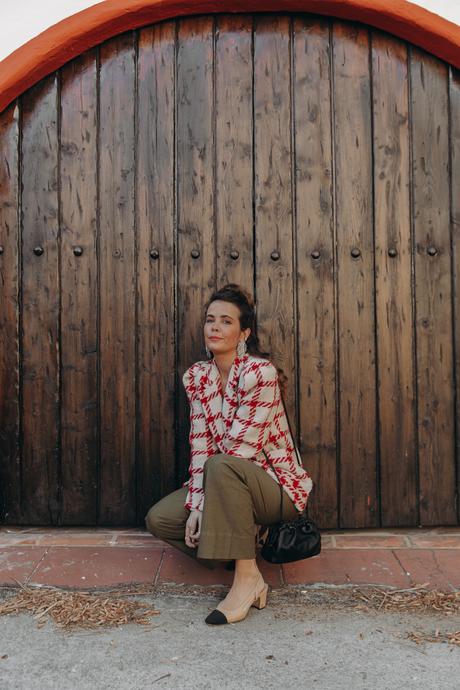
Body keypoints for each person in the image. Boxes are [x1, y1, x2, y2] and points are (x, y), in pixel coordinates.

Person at [145, 284, 313, 625]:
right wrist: (195, 506)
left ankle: (248, 579)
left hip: (276, 487)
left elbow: (242, 451)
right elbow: (200, 444)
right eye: (210, 321)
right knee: (161, 518)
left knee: (222, 464)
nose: (215, 328)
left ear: (244, 333)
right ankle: (240, 541)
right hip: (223, 482)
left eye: (225, 321)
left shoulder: (258, 374)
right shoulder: (197, 377)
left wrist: (205, 506)